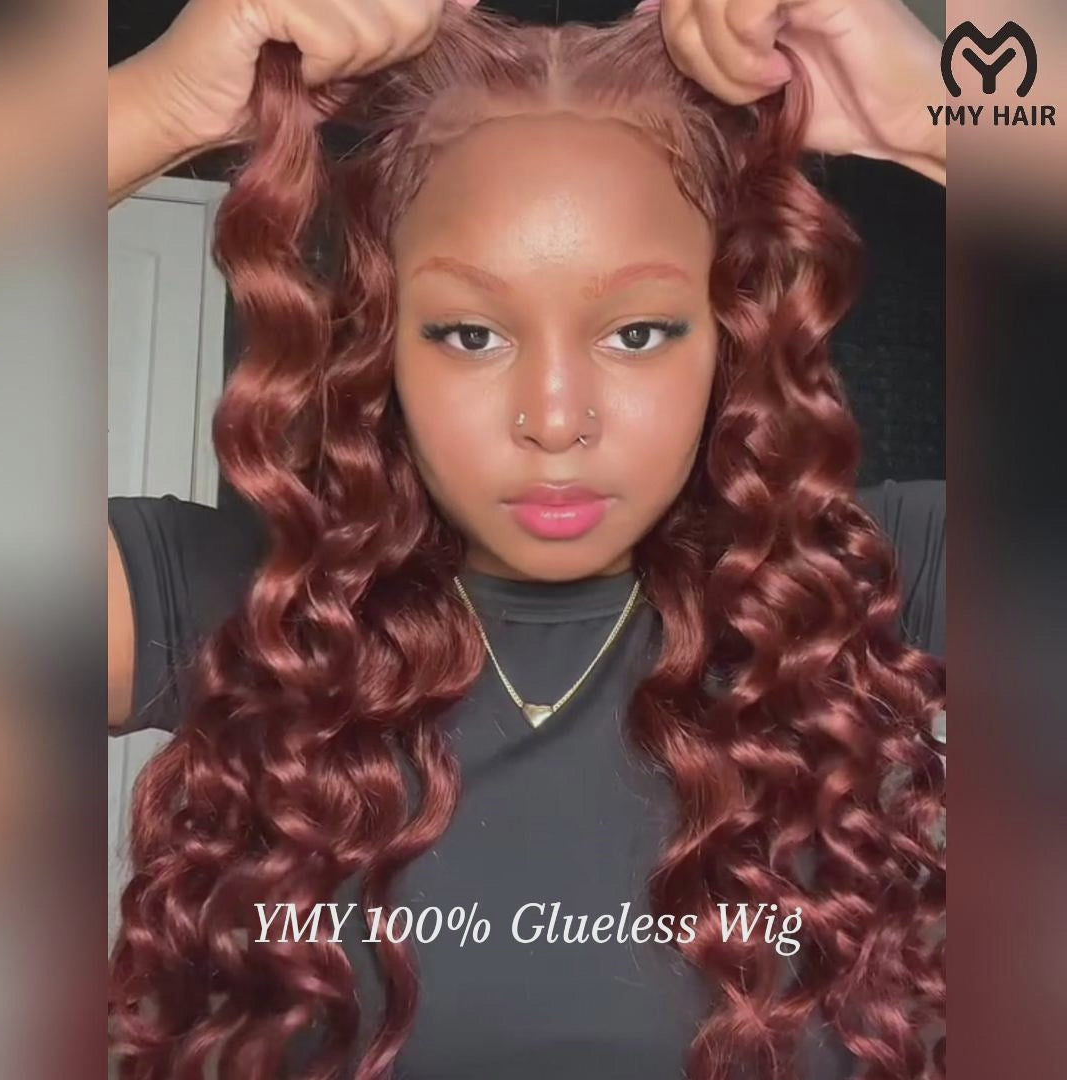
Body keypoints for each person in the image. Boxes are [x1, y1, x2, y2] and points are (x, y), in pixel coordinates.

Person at [107, 2, 946, 1078]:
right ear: (385, 341)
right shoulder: (255, 609)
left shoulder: (864, 589)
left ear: (727, 336)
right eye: (471, 332)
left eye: (637, 332)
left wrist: (943, 115)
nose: (555, 419)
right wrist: (153, 106)